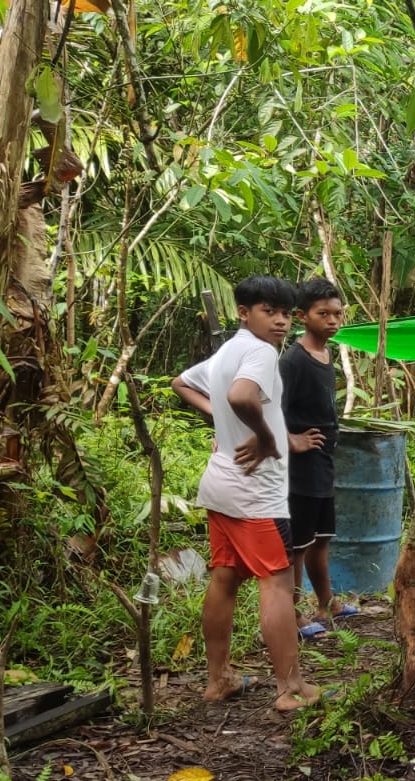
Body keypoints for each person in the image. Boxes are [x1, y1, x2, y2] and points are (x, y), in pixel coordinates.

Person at [172, 275, 321, 712]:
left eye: (286, 313)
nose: (280, 322)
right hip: (256, 493)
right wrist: (266, 437)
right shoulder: (260, 352)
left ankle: (218, 679)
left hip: (222, 485)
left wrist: (223, 422)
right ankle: (290, 689)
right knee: (277, 584)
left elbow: (182, 383)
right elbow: (241, 396)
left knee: (225, 578)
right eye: (268, 311)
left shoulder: (227, 351)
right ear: (243, 312)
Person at [279, 277, 356, 640]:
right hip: (301, 466)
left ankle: (327, 603)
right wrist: (291, 440)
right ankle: (293, 615)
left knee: (321, 537)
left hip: (323, 460)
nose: (332, 320)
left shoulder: (325, 355)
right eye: (323, 314)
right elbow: (272, 409)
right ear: (302, 316)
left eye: (337, 314)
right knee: (298, 544)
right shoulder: (293, 361)